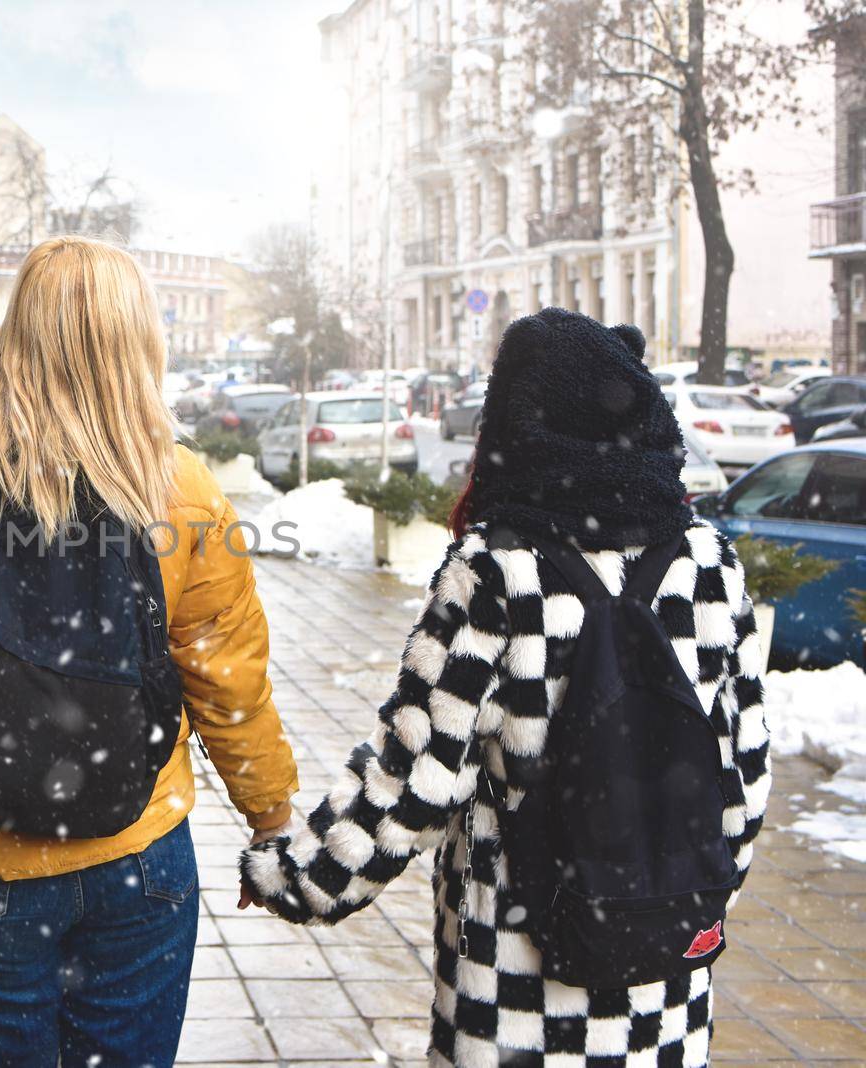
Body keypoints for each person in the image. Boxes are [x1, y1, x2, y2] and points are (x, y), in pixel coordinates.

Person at [240, 308, 772, 1068]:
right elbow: (744, 775)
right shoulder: (709, 564)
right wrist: (665, 905)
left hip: (517, 976)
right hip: (664, 984)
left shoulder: (498, 570)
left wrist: (294, 878)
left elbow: (416, 778)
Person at [0, 235, 299, 1067]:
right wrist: (273, 821)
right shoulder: (179, 487)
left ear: (15, 332)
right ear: (137, 341)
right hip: (140, 857)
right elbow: (230, 682)